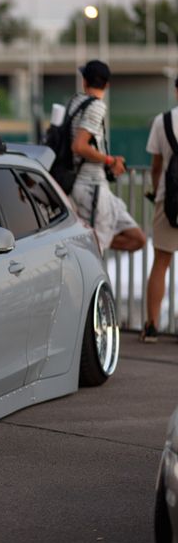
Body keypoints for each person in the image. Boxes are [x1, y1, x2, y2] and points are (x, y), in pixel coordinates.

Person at [69, 60, 146, 255]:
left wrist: (107, 160)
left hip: (96, 186)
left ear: (84, 81)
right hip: (90, 188)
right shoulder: (96, 107)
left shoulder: (76, 103)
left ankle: (80, 243)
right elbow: (79, 145)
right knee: (95, 250)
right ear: (107, 85)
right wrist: (110, 161)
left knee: (137, 239)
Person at [141, 77, 178, 342]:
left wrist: (157, 192)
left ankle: (152, 327)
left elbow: (156, 166)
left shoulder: (162, 121)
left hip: (169, 200)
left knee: (161, 264)